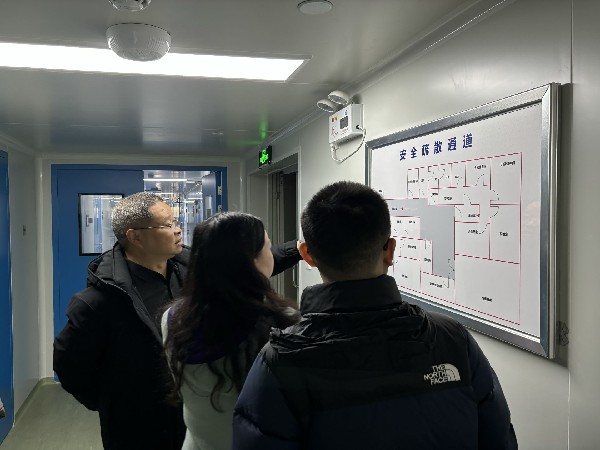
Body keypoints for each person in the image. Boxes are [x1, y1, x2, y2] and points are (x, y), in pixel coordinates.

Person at [232, 181, 518, 450]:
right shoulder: (453, 339)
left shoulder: (280, 361)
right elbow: (499, 439)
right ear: (390, 250)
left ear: (307, 255)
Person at [53, 193, 301, 450]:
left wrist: (298, 248)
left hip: (194, 420)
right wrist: (116, 402)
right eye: (167, 224)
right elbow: (69, 365)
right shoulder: (100, 300)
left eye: (176, 221)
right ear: (135, 237)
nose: (178, 229)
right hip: (138, 430)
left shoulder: (191, 267)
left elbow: (247, 265)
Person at [161, 212, 300, 450]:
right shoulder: (283, 323)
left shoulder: (174, 317)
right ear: (251, 262)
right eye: (267, 247)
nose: (271, 253)